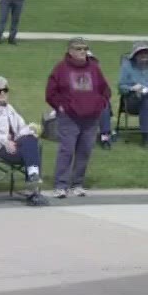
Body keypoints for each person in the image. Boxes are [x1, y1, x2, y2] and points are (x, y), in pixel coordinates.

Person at [45, 37, 109, 198]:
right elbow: (51, 93)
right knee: (66, 150)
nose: (82, 52)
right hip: (69, 117)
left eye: (84, 49)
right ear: (70, 51)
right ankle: (61, 185)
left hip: (91, 117)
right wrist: (61, 107)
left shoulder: (94, 68)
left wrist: (100, 104)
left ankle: (77, 184)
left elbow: (105, 89)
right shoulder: (61, 68)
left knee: (85, 150)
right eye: (78, 49)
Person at [0, 75, 47, 204]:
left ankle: (33, 176)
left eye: (5, 90)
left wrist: (31, 130)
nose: (2, 93)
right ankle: (33, 187)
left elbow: (21, 128)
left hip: (15, 144)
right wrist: (4, 141)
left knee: (31, 139)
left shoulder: (9, 108)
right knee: (31, 152)